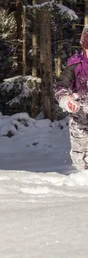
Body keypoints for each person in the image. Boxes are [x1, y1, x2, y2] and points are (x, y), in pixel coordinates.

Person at [55, 24, 88, 171]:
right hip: (79, 114)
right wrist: (66, 100)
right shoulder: (75, 65)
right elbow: (61, 86)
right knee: (80, 154)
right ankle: (83, 177)